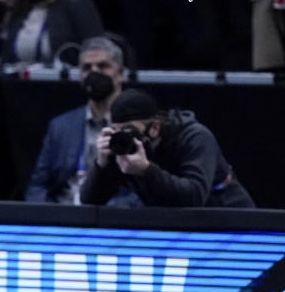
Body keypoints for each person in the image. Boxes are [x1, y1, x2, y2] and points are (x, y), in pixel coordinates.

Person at [80, 88, 255, 208]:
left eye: (130, 130)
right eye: (117, 131)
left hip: (230, 219)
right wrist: (101, 163)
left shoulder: (194, 137)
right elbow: (89, 201)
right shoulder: (123, 147)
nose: (126, 137)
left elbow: (193, 196)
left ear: (155, 128)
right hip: (177, 228)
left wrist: (146, 170)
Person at [25, 36, 139, 206]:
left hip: (112, 217)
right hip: (63, 215)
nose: (94, 72)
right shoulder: (60, 126)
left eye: (102, 66)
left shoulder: (137, 124)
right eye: (87, 68)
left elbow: (144, 192)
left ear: (120, 73)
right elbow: (37, 187)